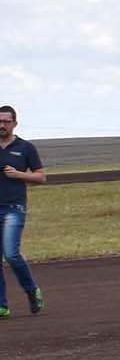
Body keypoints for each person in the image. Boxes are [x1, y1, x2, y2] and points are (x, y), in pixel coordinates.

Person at [0, 104, 46, 318]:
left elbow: (40, 177)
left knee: (12, 254)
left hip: (13, 208)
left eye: (6, 121)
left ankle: (31, 291)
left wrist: (20, 175)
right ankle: (2, 306)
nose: (2, 125)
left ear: (15, 123)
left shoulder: (26, 148)